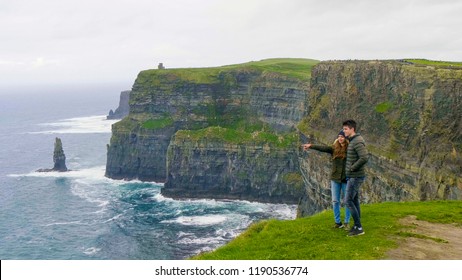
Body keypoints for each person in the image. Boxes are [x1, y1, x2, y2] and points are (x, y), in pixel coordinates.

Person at [302, 130, 351, 229]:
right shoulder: (333, 148)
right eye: (339, 136)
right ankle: (338, 222)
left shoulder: (350, 150)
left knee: (347, 201)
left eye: (343, 137)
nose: (341, 138)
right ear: (337, 138)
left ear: (346, 138)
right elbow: (323, 148)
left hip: (346, 179)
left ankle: (346, 222)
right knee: (335, 201)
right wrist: (311, 146)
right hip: (335, 179)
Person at [342, 119, 369, 237]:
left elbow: (364, 157)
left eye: (345, 129)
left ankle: (359, 227)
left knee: (347, 201)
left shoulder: (357, 141)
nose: (344, 131)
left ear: (352, 129)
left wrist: (352, 168)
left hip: (355, 176)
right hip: (353, 176)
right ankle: (357, 226)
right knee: (354, 200)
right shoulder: (353, 140)